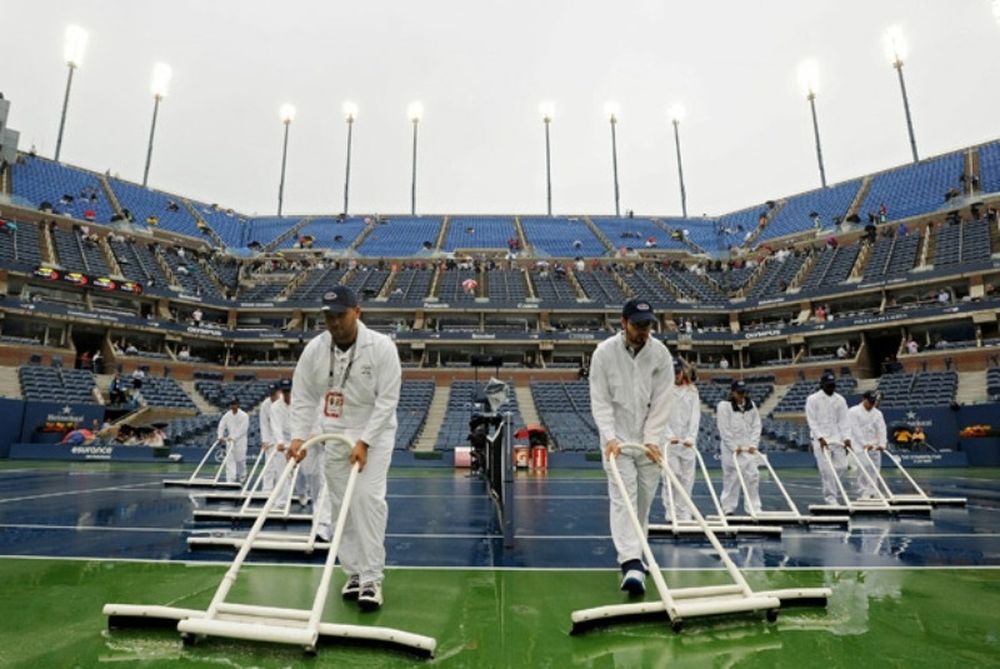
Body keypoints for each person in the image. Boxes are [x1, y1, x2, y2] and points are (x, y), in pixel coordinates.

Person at [287, 285, 402, 611]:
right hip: (334, 434)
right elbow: (305, 395)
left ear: (357, 312)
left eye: (340, 315)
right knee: (341, 506)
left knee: (367, 501)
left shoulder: (381, 348)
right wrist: (299, 436)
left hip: (373, 436)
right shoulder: (315, 349)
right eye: (328, 317)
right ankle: (352, 573)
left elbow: (387, 401)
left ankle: (371, 579)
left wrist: (365, 441)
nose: (334, 322)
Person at [589, 297, 674, 596]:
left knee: (644, 501)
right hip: (617, 441)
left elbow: (664, 399)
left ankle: (637, 552)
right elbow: (600, 400)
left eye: (647, 325)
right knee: (623, 498)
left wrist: (652, 438)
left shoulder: (661, 354)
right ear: (623, 323)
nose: (643, 330)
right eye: (638, 325)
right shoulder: (604, 354)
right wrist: (610, 437)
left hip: (649, 439)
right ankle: (630, 562)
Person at [805, 371, 853, 506]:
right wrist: (820, 437)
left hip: (837, 438)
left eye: (833, 385)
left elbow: (844, 421)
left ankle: (832, 492)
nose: (831, 388)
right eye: (828, 385)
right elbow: (812, 421)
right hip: (820, 440)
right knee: (826, 470)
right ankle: (830, 498)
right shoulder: (812, 399)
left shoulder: (840, 400)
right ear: (822, 385)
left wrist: (847, 438)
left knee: (842, 466)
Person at [660, 361, 700, 521]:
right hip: (670, 442)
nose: (676, 376)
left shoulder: (692, 391)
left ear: (682, 373)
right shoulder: (663, 391)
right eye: (673, 373)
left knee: (687, 479)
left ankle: (684, 513)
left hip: (687, 442)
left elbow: (695, 416)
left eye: (678, 373)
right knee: (671, 476)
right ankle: (671, 512)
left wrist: (691, 437)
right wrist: (669, 436)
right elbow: (661, 416)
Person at [717, 380, 762, 515]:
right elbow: (724, 429)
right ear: (733, 392)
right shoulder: (724, 406)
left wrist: (753, 444)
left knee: (753, 477)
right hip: (732, 450)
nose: (742, 395)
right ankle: (728, 508)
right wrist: (733, 447)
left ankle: (754, 508)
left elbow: (756, 426)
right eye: (739, 392)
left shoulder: (751, 405)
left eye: (743, 392)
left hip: (748, 448)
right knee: (732, 478)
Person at [849, 391, 888, 499]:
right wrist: (864, 444)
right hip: (859, 446)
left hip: (874, 446)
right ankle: (864, 491)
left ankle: (873, 491)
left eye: (873, 402)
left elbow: (882, 429)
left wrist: (882, 443)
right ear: (863, 399)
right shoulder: (853, 412)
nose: (872, 404)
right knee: (863, 469)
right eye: (870, 402)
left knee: (875, 469)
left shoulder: (878, 413)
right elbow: (855, 429)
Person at [216, 397, 249, 483]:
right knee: (230, 460)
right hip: (230, 441)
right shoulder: (227, 415)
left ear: (238, 404)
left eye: (234, 404)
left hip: (240, 441)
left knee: (240, 460)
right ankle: (230, 479)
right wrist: (220, 436)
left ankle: (242, 477)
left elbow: (243, 429)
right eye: (231, 404)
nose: (232, 406)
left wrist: (234, 437)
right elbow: (221, 425)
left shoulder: (244, 416)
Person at [257, 382, 281, 492]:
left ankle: (280, 489)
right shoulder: (265, 405)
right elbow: (264, 423)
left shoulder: (283, 402)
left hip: (283, 438)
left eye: (273, 393)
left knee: (281, 466)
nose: (272, 396)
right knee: (269, 465)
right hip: (270, 439)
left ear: (278, 392)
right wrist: (265, 440)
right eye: (270, 394)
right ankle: (267, 488)